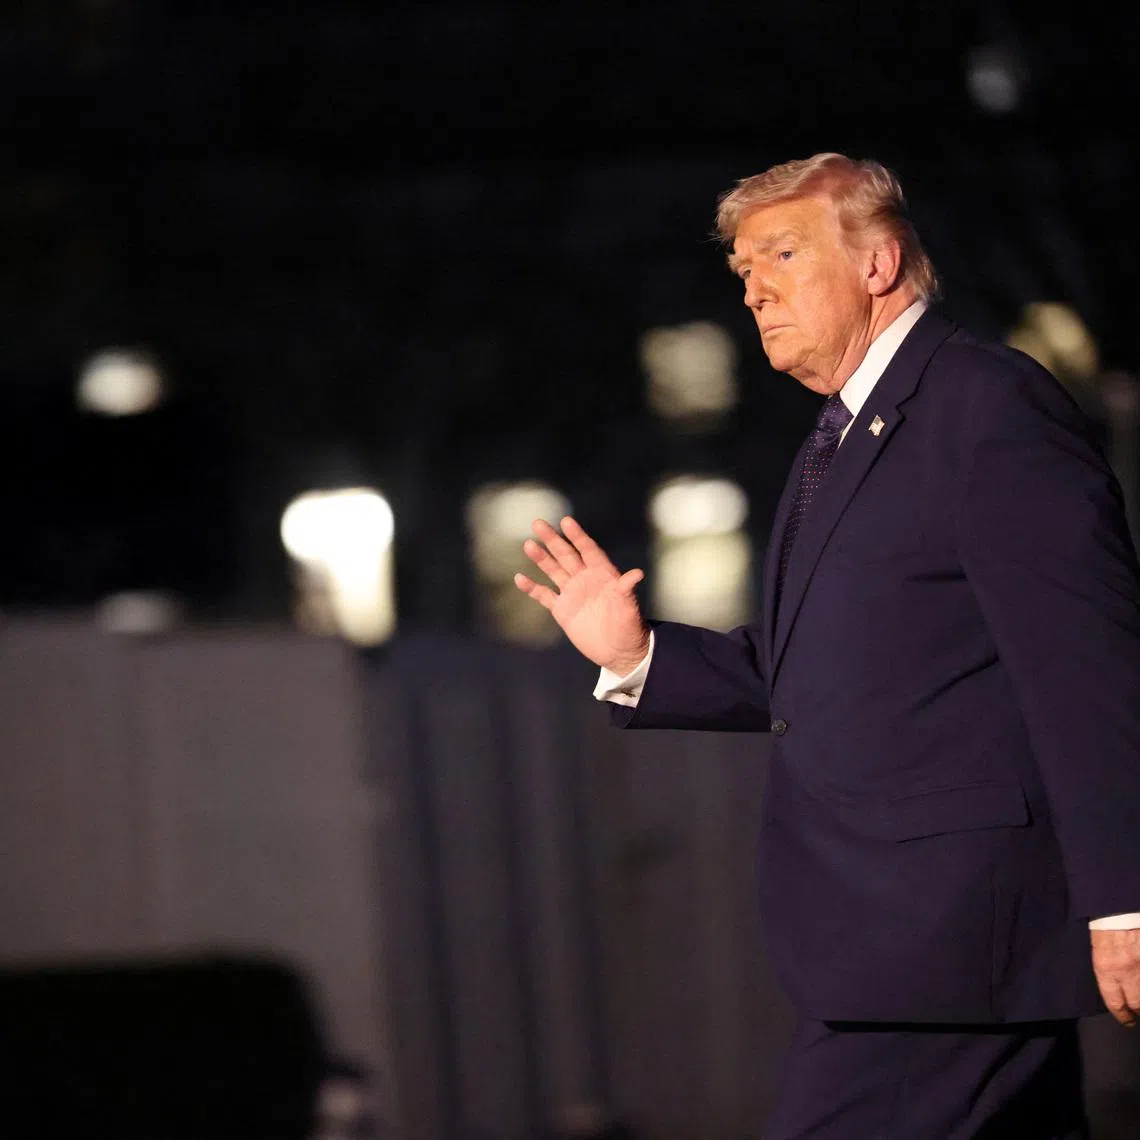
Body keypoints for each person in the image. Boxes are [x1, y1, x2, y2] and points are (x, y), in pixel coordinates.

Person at [513, 153, 1140, 1138]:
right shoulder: (838, 437)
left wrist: (1126, 898)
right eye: (742, 269)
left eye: (782, 253)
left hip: (941, 943)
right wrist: (636, 655)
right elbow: (815, 667)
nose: (754, 285)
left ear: (880, 264)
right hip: (914, 946)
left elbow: (1089, 664)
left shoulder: (985, 408)